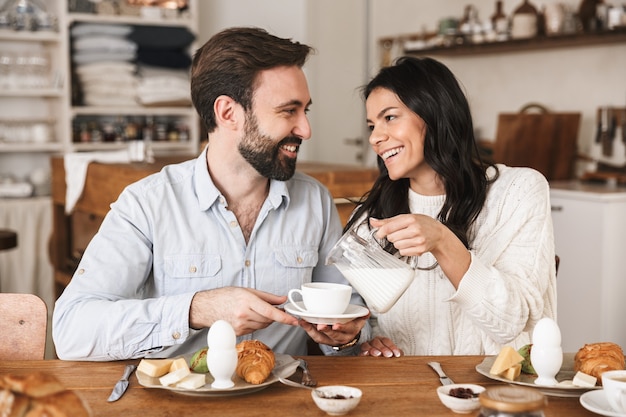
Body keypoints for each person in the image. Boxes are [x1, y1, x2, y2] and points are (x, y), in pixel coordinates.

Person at [53, 27, 369, 361]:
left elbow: (345, 325)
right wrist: (197, 309)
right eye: (288, 111)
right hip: (176, 406)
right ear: (228, 113)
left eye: (305, 111)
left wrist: (346, 338)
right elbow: (72, 331)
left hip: (283, 401)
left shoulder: (316, 201)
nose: (305, 129)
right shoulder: (147, 203)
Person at [346, 56, 556, 358]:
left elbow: (511, 323)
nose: (375, 138)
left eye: (389, 117)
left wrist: (442, 241)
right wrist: (368, 340)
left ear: (434, 114)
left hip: (496, 392)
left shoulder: (517, 192)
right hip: (406, 393)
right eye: (371, 125)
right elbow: (372, 320)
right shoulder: (370, 219)